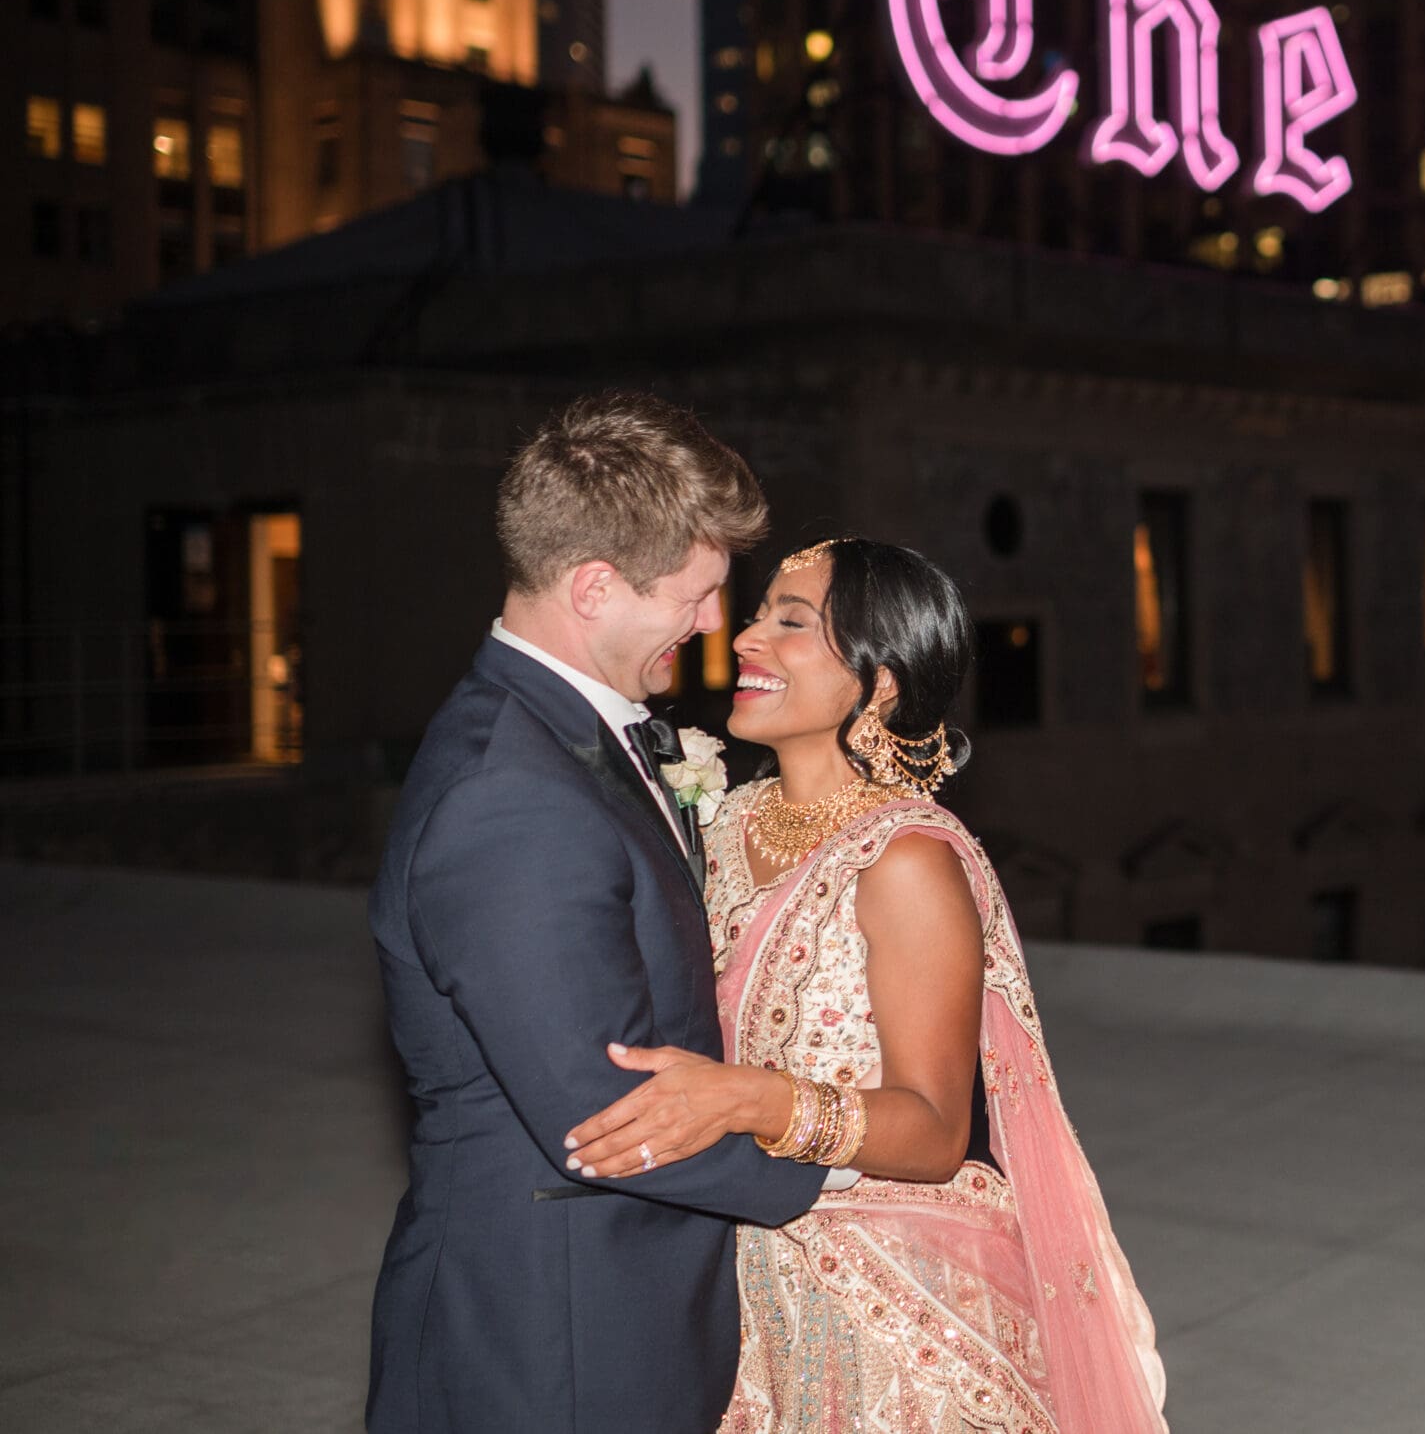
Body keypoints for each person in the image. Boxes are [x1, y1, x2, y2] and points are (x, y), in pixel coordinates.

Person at [558, 537, 1169, 1433]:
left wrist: (750, 1100)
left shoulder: (906, 860)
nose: (747, 639)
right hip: (731, 1284)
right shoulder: (725, 817)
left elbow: (932, 1128)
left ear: (879, 684)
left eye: (790, 622)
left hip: (891, 1316)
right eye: (758, 613)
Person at [367, 393, 829, 1434]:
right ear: (593, 587)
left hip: (602, 1317)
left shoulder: (560, 729)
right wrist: (842, 1160)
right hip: (552, 1342)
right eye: (700, 592)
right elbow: (607, 1114)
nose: (716, 623)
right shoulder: (510, 797)